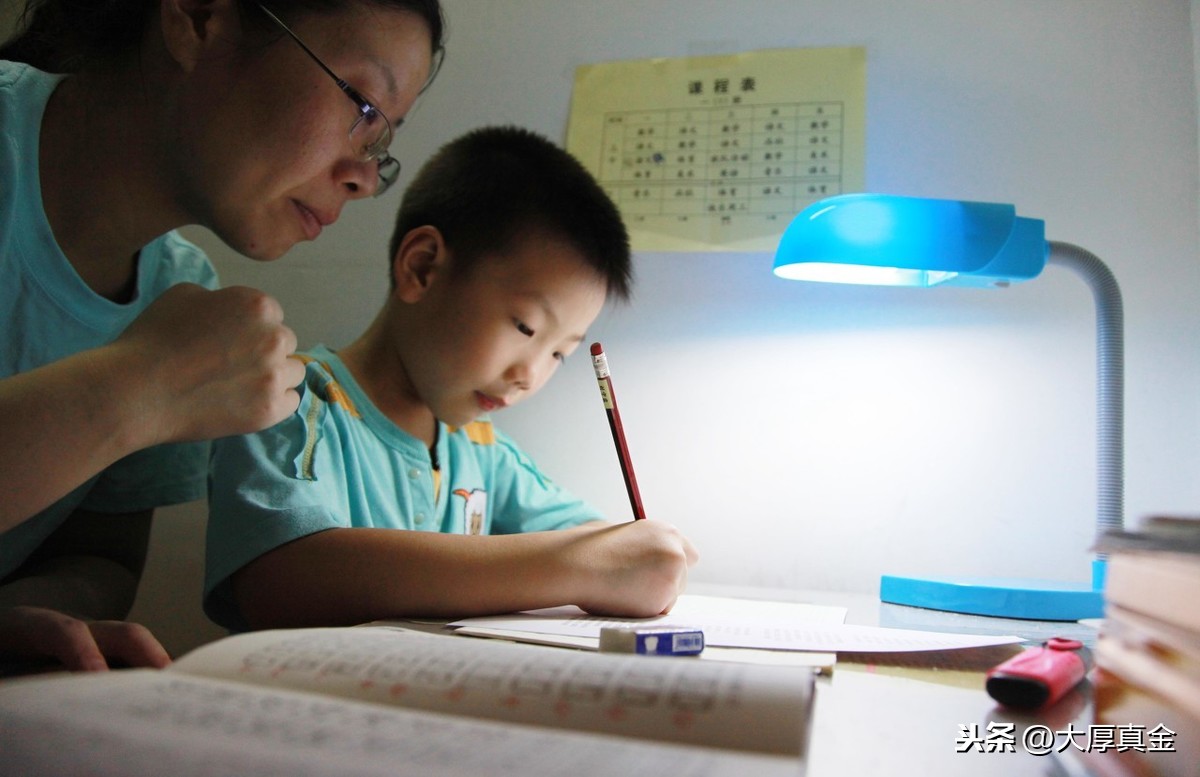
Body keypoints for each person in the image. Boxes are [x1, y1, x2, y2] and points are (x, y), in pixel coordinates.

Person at [0, 0, 445, 671]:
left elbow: (98, 556)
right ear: (200, 17)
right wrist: (140, 386)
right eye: (362, 109)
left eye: (381, 145)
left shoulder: (179, 292)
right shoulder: (175, 341)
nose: (361, 176)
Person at [203, 126, 699, 632]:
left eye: (559, 353)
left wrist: (639, 553)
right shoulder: (288, 401)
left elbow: (588, 539)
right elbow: (278, 581)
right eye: (525, 327)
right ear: (422, 268)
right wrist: (575, 566)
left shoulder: (480, 450)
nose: (530, 374)